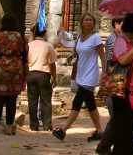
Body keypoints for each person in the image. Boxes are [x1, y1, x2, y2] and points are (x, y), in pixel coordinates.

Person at [52, 12, 104, 142]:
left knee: (77, 101)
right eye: (86, 20)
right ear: (82, 22)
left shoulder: (96, 37)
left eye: (91, 20)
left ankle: (63, 130)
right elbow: (77, 50)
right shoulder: (80, 37)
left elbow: (102, 56)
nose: (89, 22)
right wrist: (71, 56)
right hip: (81, 74)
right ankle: (100, 131)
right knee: (91, 103)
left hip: (91, 75)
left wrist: (104, 72)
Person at [108, 13, 133, 155]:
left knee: (131, 132)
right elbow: (123, 60)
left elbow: (131, 65)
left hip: (132, 91)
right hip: (122, 91)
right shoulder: (121, 41)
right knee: (123, 133)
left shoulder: (130, 42)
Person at [0, 12, 27, 134]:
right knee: (12, 99)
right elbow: (25, 53)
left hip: (0, 67)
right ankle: (9, 128)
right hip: (16, 68)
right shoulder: (20, 36)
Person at [95, 18, 124, 155]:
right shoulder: (114, 39)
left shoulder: (120, 39)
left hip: (116, 78)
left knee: (118, 117)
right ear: (116, 25)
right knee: (117, 116)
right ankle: (104, 145)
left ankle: (107, 145)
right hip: (114, 78)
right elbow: (120, 58)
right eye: (122, 24)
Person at [26, 23, 57, 132]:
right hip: (44, 74)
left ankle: (33, 125)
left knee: (32, 100)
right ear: (44, 34)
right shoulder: (48, 46)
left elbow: (25, 62)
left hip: (31, 73)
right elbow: (52, 64)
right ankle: (47, 125)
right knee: (46, 100)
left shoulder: (28, 45)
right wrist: (54, 78)